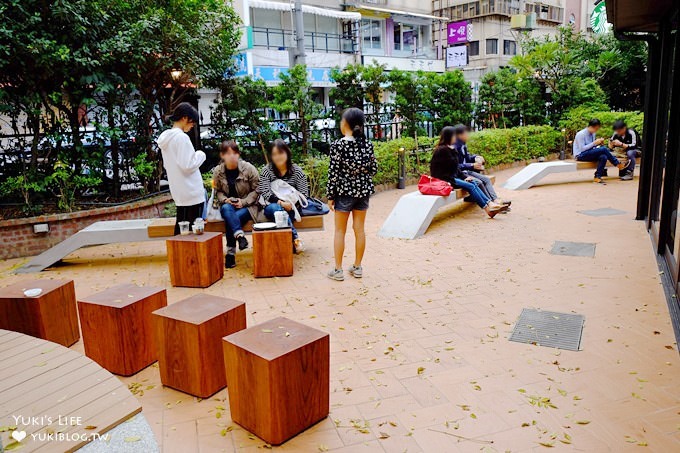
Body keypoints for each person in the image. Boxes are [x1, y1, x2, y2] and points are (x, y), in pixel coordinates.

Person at [326, 108, 377, 281]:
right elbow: (374, 170)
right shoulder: (367, 145)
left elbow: (333, 173)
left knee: (340, 230)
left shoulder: (338, 145)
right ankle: (357, 267)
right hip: (363, 192)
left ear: (345, 124)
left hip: (344, 193)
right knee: (359, 229)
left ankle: (338, 270)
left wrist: (330, 196)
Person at [430, 126, 508, 218]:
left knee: (473, 182)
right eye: (454, 135)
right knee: (471, 186)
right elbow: (437, 172)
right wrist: (458, 179)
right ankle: (489, 207)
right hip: (444, 180)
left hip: (452, 178)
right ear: (448, 136)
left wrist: (465, 177)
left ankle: (490, 206)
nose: (456, 137)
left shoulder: (451, 149)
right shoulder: (441, 150)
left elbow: (456, 168)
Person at [157, 102, 206, 235]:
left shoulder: (167, 139)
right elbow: (188, 165)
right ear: (185, 118)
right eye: (192, 122)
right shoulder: (181, 138)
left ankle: (177, 255)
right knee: (193, 231)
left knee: (181, 228)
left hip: (179, 191)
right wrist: (200, 155)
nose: (192, 125)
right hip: (191, 191)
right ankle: (191, 256)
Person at [212, 141, 263, 269]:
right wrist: (225, 200)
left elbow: (258, 189)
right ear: (222, 155)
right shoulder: (218, 172)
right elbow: (217, 191)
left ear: (239, 154)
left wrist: (244, 202)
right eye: (228, 153)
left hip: (248, 206)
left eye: (235, 153)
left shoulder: (248, 168)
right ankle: (240, 236)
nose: (232, 156)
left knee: (232, 219)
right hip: (228, 206)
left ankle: (230, 254)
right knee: (226, 209)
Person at [258, 139, 309, 253]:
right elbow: (265, 192)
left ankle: (286, 244)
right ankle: (295, 238)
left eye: (280, 153)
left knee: (283, 216)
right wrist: (281, 203)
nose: (278, 157)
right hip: (272, 206)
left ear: (287, 153)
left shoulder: (297, 171)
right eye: (274, 154)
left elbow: (304, 193)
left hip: (292, 207)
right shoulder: (267, 171)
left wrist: (290, 204)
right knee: (277, 210)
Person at [453, 124, 510, 208]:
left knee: (486, 179)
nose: (468, 135)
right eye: (466, 133)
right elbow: (455, 166)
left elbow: (467, 157)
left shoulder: (462, 145)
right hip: (460, 174)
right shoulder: (454, 147)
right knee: (479, 182)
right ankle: (491, 203)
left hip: (466, 171)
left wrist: (476, 157)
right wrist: (472, 165)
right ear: (459, 135)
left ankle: (495, 200)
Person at [573, 118, 627, 184]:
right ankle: (617, 164)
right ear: (591, 127)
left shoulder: (593, 134)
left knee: (603, 156)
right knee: (603, 149)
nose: (596, 131)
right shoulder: (581, 134)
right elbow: (582, 149)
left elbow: (592, 147)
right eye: (596, 129)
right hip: (580, 155)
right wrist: (594, 143)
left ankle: (597, 177)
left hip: (589, 153)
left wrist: (598, 144)